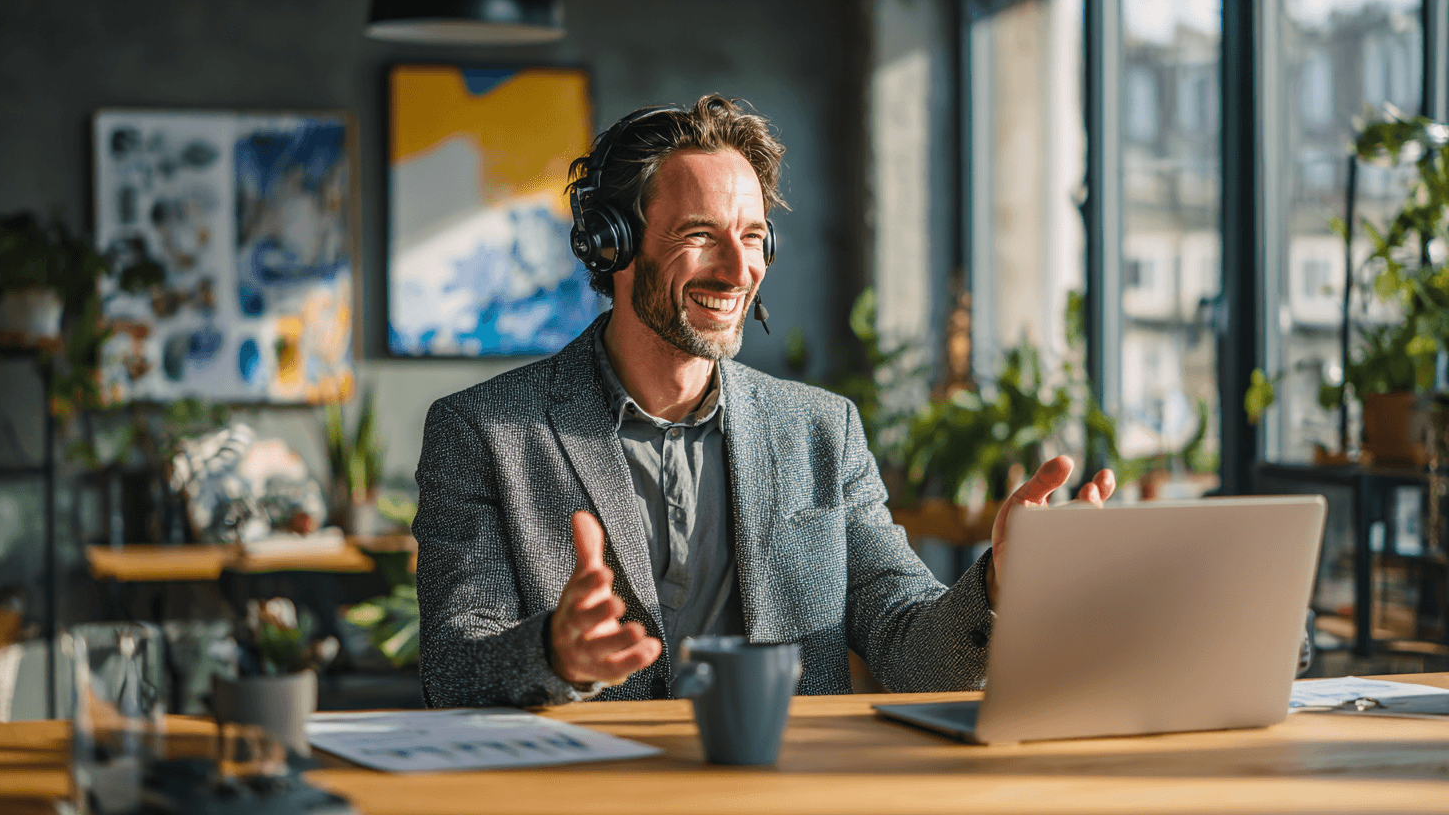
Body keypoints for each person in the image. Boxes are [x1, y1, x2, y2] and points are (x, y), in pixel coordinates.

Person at [413, 94, 1116, 708]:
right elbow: (452, 668)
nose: (740, 267)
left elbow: (910, 652)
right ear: (613, 245)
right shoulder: (484, 431)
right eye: (699, 235)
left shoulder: (821, 430)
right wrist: (555, 654)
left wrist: (996, 585)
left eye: (752, 237)